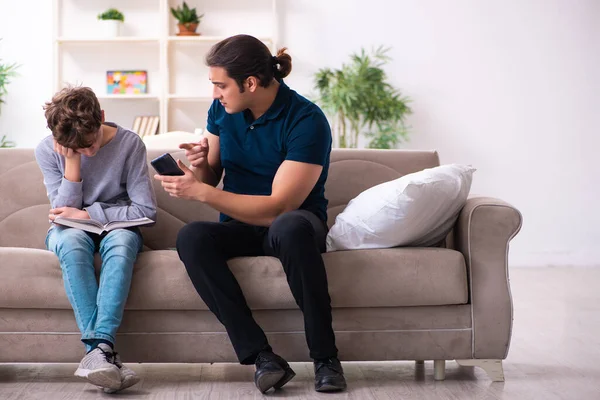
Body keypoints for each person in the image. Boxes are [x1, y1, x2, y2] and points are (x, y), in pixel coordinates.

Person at [154, 34, 347, 393]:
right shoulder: (222, 111)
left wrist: (202, 192)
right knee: (192, 236)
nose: (215, 94)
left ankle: (326, 359)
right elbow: (212, 176)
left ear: (251, 83)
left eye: (220, 85)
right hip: (240, 225)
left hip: (293, 226)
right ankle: (262, 357)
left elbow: (280, 207)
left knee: (290, 226)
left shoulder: (306, 119)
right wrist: (200, 170)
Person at [35, 86, 157, 393]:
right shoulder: (49, 149)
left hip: (116, 227)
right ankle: (103, 353)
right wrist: (72, 165)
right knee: (72, 243)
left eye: (89, 145)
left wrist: (90, 215)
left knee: (123, 243)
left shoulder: (130, 144)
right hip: (69, 229)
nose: (88, 152)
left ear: (101, 117)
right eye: (76, 149)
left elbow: (145, 211)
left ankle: (97, 351)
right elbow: (62, 212)